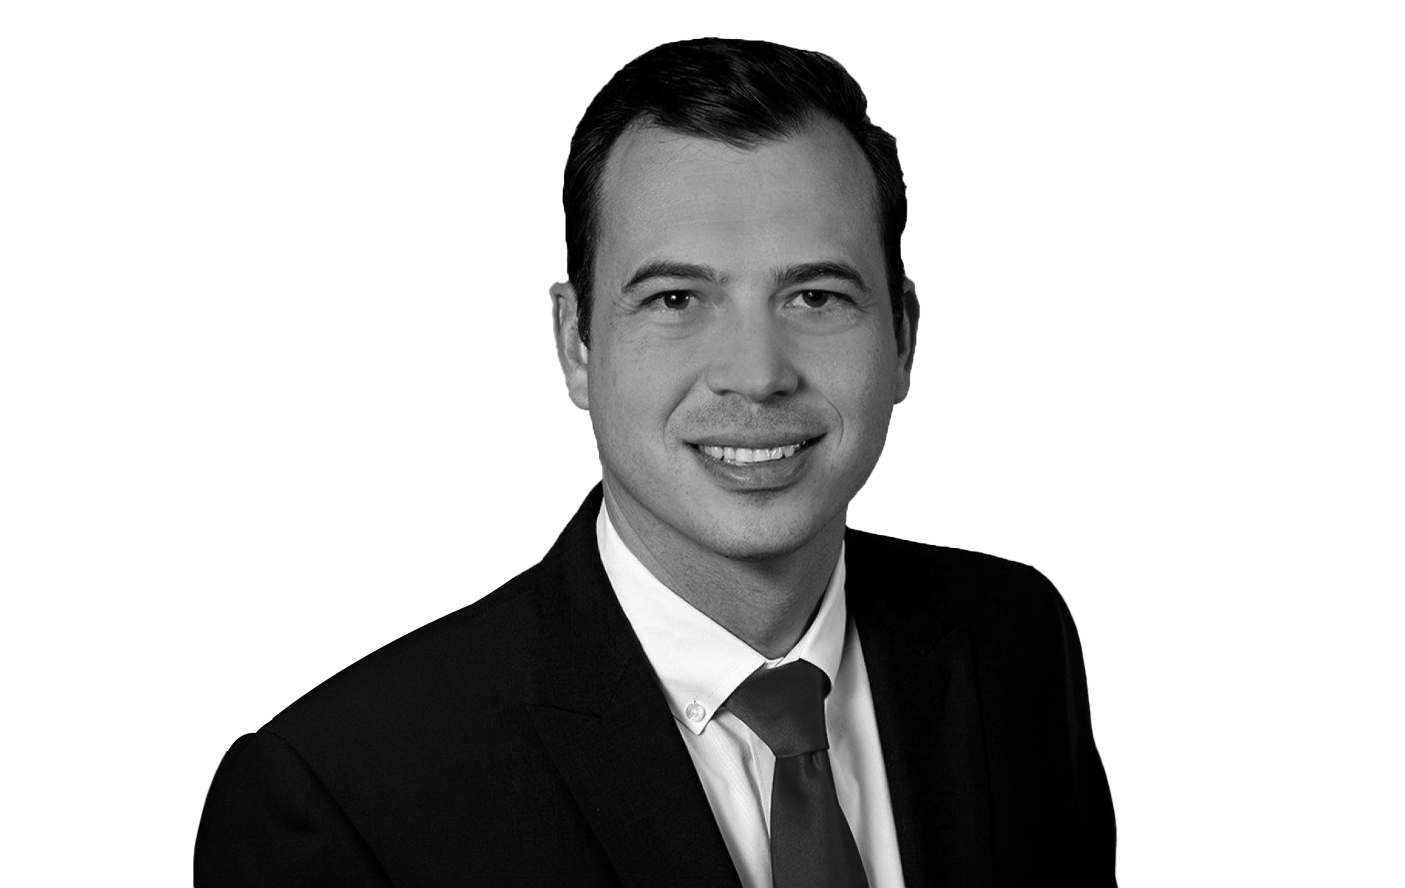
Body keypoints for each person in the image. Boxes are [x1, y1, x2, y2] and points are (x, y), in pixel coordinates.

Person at [194, 37, 1116, 887]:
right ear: (576, 342)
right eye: (676, 298)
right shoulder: (335, 798)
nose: (756, 373)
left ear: (903, 339)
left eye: (816, 296)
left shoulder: (1015, 639)